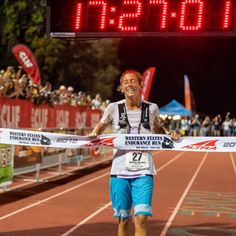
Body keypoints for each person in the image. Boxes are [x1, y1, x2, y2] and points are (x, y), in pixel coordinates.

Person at [89, 70, 178, 236]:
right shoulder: (113, 108)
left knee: (142, 218)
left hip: (144, 172)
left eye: (133, 81)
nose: (129, 84)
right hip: (119, 172)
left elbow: (158, 127)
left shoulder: (152, 109)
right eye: (125, 82)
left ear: (140, 85)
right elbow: (100, 127)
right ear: (121, 88)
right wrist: (94, 133)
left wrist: (169, 133)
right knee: (123, 220)